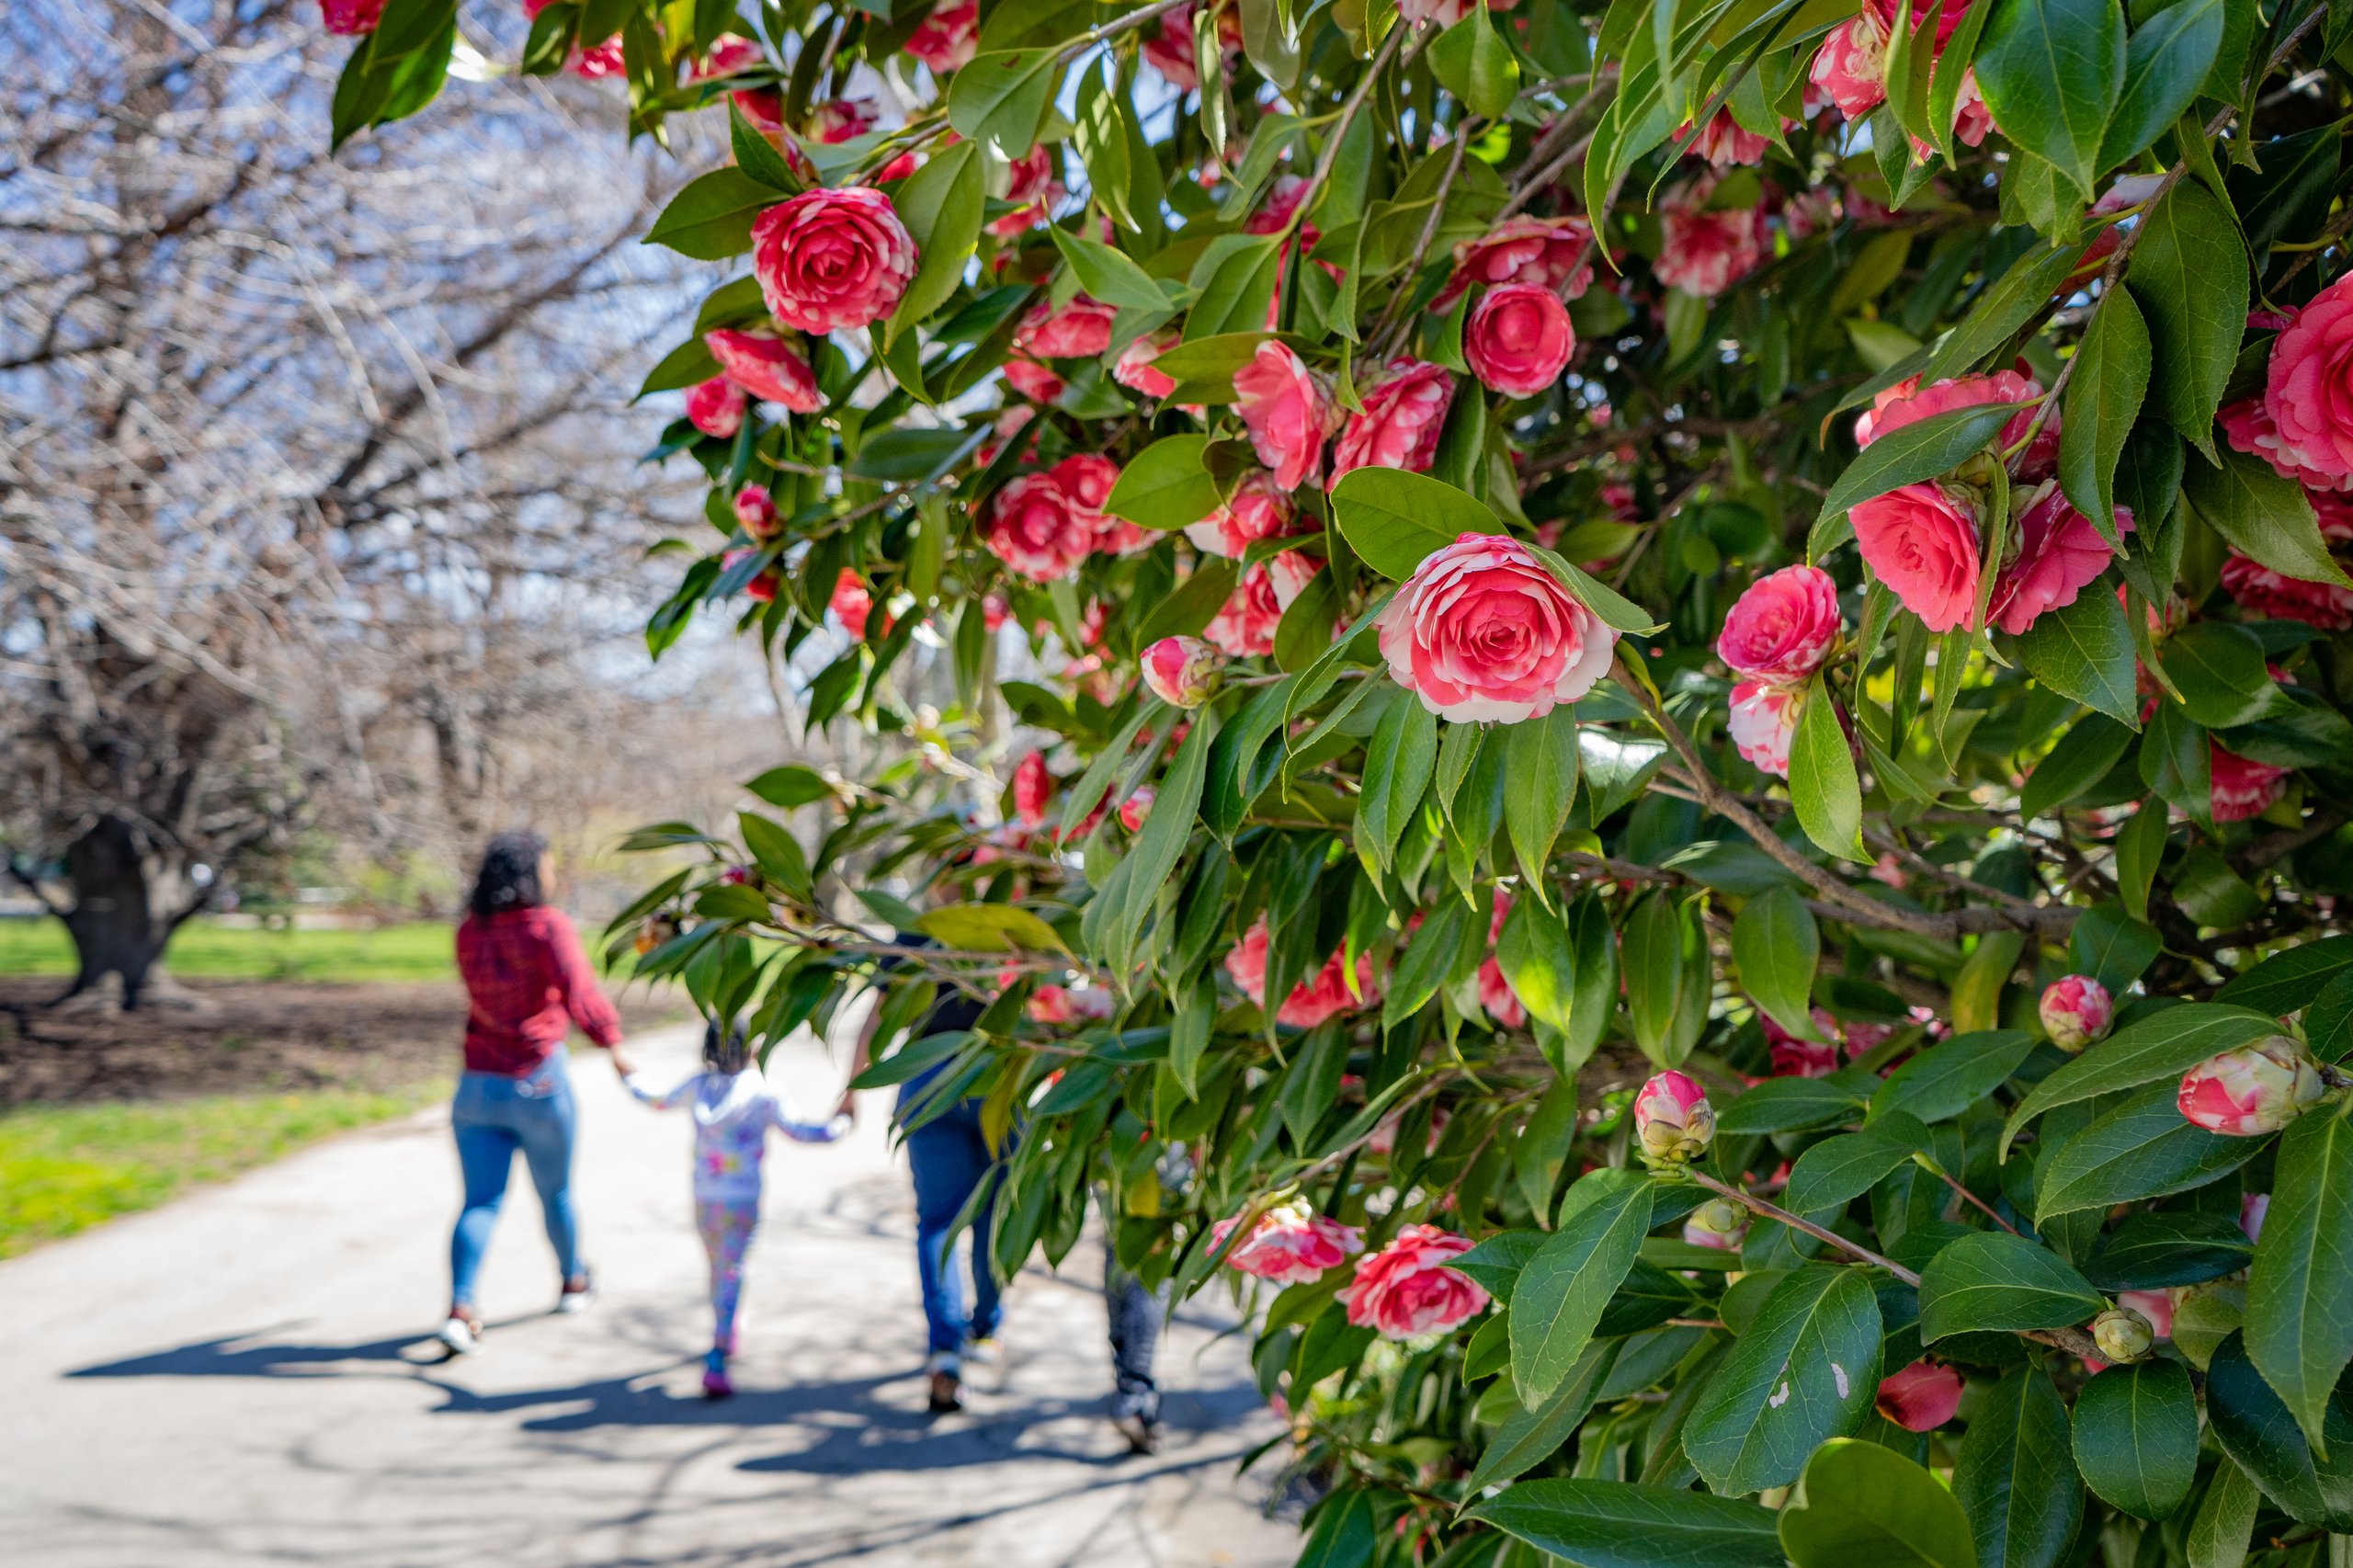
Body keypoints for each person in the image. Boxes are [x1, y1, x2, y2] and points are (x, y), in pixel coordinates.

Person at [844, 926, 1169, 1450]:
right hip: (1001, 1076)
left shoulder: (912, 938)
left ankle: (945, 1350)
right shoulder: (1013, 927)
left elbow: (876, 1018)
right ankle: (986, 1326)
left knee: (938, 1221)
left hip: (928, 1076)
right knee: (998, 1208)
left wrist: (851, 1088)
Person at [437, 831, 631, 1357]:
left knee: (479, 1201)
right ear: (530, 871)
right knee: (558, 1194)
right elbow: (579, 992)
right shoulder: (546, 927)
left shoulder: (468, 933)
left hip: (476, 1085)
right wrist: (613, 1045)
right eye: (547, 865)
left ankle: (461, 1308)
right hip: (537, 1082)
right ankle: (573, 1282)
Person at [623, 1018, 850, 1399]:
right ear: (751, 1049)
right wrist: (842, 1122)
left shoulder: (698, 1086)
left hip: (705, 1196)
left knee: (717, 1267)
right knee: (733, 1268)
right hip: (743, 1199)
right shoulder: (763, 1091)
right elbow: (804, 1132)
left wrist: (627, 1074)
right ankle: (719, 1349)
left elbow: (656, 1099)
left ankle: (725, 1330)